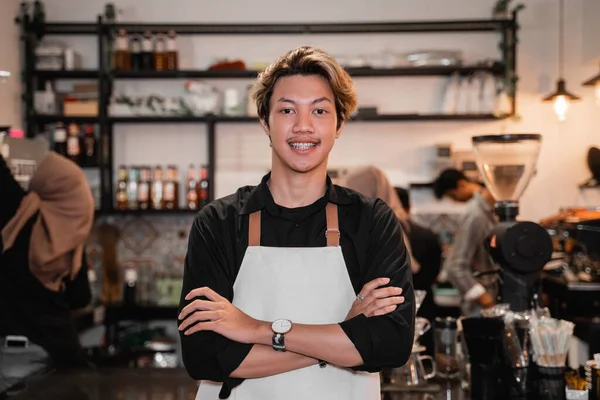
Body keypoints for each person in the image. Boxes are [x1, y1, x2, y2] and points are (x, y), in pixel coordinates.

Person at [177, 46, 415, 400]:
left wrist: (256, 330)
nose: (303, 126)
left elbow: (391, 346)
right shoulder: (220, 222)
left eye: (319, 110)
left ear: (339, 125)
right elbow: (205, 357)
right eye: (287, 110)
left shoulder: (372, 220)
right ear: (265, 123)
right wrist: (344, 335)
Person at [0, 151, 94, 368]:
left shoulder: (18, 219)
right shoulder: (72, 236)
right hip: (62, 349)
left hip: (17, 355)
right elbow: (81, 297)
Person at [432, 168, 497, 316]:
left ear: (461, 185)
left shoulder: (480, 212)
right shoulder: (475, 214)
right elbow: (455, 266)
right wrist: (484, 298)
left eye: (452, 196)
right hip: (484, 305)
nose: (455, 201)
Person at [395, 187, 442, 356]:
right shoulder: (428, 235)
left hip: (393, 306)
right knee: (425, 354)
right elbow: (435, 273)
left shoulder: (379, 236)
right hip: (425, 305)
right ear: (409, 207)